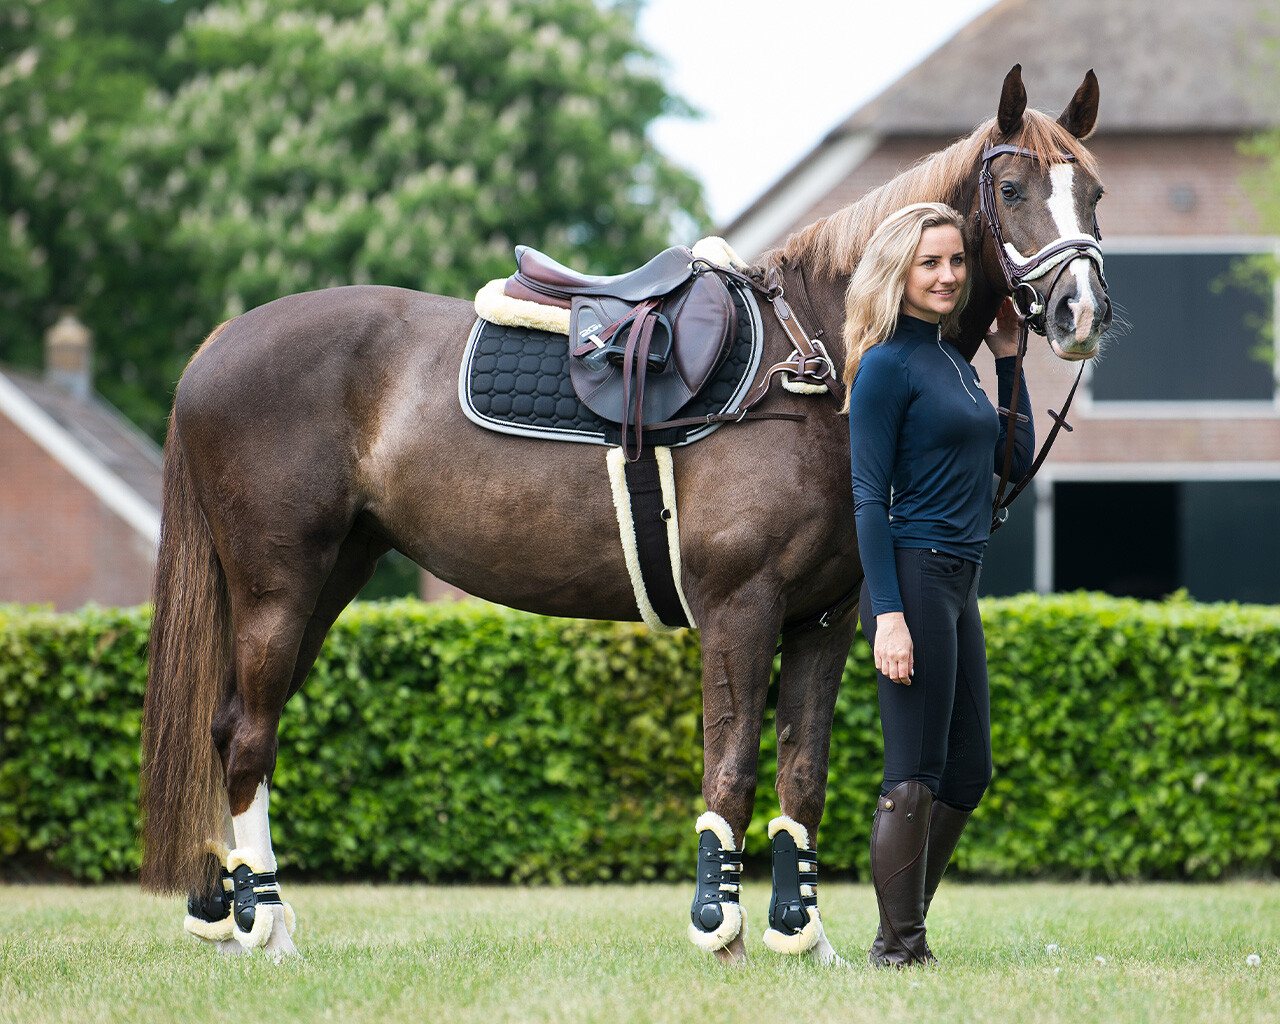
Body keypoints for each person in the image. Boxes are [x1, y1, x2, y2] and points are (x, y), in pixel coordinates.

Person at [843, 202, 1033, 967]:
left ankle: (903, 922)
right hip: (913, 580)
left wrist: (1011, 359)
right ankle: (899, 950)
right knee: (912, 776)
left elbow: (1011, 464)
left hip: (960, 580)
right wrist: (888, 615)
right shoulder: (886, 364)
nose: (949, 275)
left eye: (956, 261)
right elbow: (866, 497)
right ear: (900, 270)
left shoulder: (957, 360)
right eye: (931, 263)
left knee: (969, 770)